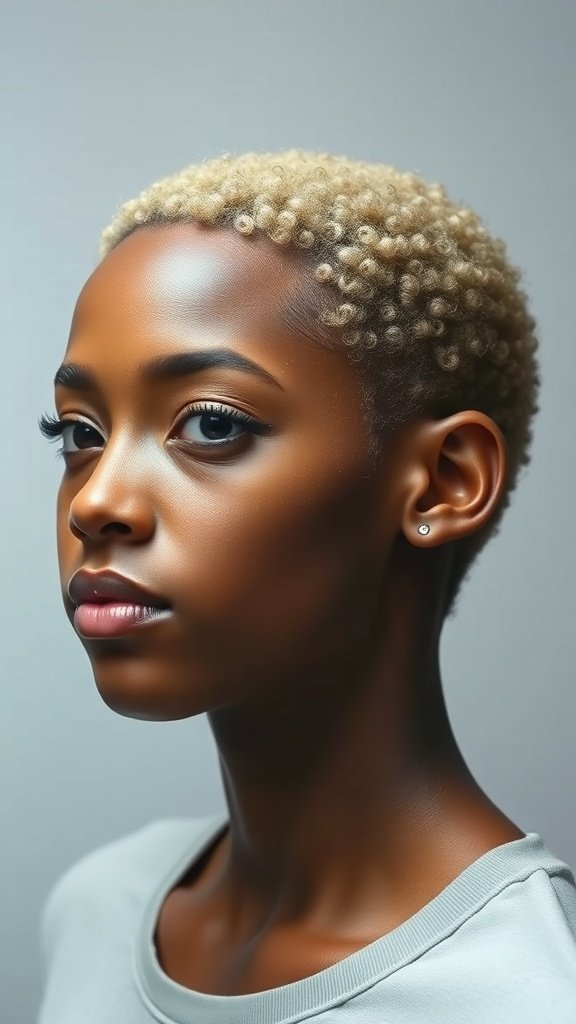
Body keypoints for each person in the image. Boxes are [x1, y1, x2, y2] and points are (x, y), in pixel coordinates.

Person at [37, 151, 576, 1023]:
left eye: (210, 424)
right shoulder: (94, 909)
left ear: (443, 481)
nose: (96, 500)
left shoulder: (527, 995)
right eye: (78, 432)